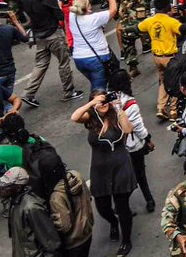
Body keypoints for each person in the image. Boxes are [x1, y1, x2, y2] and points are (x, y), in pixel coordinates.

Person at [71, 91, 137, 255]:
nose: (103, 103)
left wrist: (119, 109)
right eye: (99, 100)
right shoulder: (91, 118)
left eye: (105, 99)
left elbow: (128, 129)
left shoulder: (116, 114)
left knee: (122, 206)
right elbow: (74, 117)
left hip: (120, 165)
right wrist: (92, 103)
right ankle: (113, 222)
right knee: (102, 206)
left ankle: (126, 240)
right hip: (100, 169)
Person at [20, 0, 84, 109]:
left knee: (40, 65)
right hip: (54, 34)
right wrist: (60, 3)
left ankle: (28, 93)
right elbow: (60, 16)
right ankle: (69, 91)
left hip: (39, 36)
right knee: (64, 62)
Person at [106, 69, 155, 214]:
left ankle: (120, 205)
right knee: (139, 175)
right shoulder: (130, 104)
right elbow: (138, 127)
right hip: (133, 146)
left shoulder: (108, 101)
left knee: (123, 176)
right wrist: (148, 139)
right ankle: (148, 200)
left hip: (116, 146)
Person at [138, 0, 186, 122]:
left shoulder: (150, 21)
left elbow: (139, 28)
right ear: (168, 6)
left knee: (163, 82)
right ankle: (174, 110)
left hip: (156, 57)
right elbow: (183, 30)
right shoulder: (170, 21)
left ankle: (161, 108)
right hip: (169, 57)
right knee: (176, 81)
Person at [0, 166, 63, 257]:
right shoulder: (14, 202)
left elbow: (51, 243)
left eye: (6, 186)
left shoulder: (31, 208)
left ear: (18, 187)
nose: (1, 189)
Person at [69, 0, 119, 93]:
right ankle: (95, 108)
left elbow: (78, 2)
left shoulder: (72, 16)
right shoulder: (94, 19)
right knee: (98, 92)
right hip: (96, 59)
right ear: (88, 7)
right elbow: (113, 10)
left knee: (98, 84)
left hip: (79, 59)